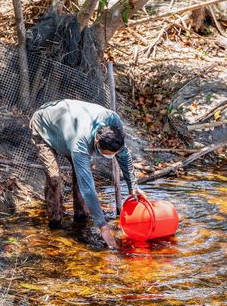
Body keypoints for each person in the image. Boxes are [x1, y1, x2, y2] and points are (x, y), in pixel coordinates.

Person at [30, 99, 146, 249]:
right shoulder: (80, 143)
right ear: (97, 142)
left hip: (67, 132)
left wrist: (133, 186)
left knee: (80, 178)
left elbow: (124, 155)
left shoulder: (113, 121)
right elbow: (88, 188)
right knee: (54, 178)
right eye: (107, 154)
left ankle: (81, 219)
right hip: (44, 127)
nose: (111, 157)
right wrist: (103, 227)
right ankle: (55, 225)